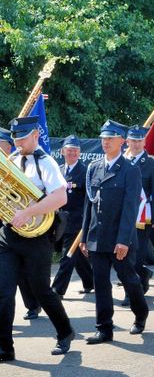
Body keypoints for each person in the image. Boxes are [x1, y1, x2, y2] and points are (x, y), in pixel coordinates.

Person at [0, 116, 74, 362]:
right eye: (15, 139)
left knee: (41, 290)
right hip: (8, 235)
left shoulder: (47, 163)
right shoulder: (10, 161)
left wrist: (27, 212)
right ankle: (5, 348)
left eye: (22, 137)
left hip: (37, 236)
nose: (18, 143)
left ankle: (65, 332)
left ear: (35, 134)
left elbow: (60, 198)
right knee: (3, 291)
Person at [80, 119, 148, 344]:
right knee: (100, 282)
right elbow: (89, 205)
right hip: (97, 237)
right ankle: (104, 328)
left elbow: (130, 209)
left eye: (110, 138)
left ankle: (140, 314)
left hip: (120, 238)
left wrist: (123, 241)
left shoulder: (130, 170)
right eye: (103, 138)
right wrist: (84, 237)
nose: (105, 142)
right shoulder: (94, 167)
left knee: (129, 279)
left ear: (122, 141)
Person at [121, 125, 154, 306]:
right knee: (121, 256)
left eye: (139, 141)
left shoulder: (153, 164)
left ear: (144, 142)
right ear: (127, 141)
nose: (136, 144)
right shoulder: (121, 162)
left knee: (136, 256)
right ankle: (143, 275)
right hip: (121, 217)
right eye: (133, 140)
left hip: (142, 219)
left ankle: (131, 293)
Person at [0, 128, 42, 320]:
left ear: (7, 147)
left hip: (17, 223)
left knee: (22, 271)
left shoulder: (18, 165)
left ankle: (33, 304)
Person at [51, 135, 94, 298]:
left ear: (80, 153)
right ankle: (90, 282)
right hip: (59, 222)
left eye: (75, 150)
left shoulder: (85, 172)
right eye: (69, 150)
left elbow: (89, 200)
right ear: (63, 151)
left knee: (67, 256)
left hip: (77, 222)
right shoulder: (58, 171)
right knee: (77, 256)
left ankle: (57, 289)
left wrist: (87, 223)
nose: (72, 153)